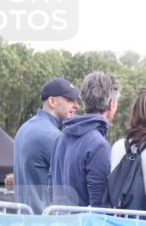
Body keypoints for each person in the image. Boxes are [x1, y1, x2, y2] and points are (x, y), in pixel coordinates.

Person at [49, 72, 120, 207]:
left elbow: (51, 189)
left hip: (61, 223)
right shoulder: (99, 146)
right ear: (111, 104)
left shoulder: (60, 138)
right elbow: (100, 206)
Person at [14, 77, 80, 213]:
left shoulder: (24, 128)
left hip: (26, 219)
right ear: (52, 101)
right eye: (70, 100)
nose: (76, 106)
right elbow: (72, 185)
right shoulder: (53, 136)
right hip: (45, 223)